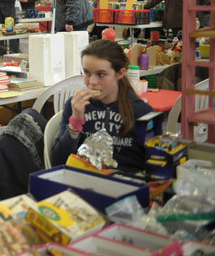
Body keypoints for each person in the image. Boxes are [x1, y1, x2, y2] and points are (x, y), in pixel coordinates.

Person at [51, 40, 154, 173]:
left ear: (120, 74)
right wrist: (75, 123)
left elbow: (155, 170)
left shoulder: (142, 112)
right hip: (81, 183)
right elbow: (57, 164)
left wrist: (123, 175)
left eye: (101, 74)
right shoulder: (74, 106)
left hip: (126, 187)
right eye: (87, 73)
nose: (92, 82)